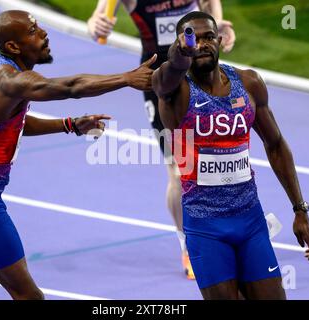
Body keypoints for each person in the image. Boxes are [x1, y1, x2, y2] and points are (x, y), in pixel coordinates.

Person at [0, 10, 156, 300]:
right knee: (30, 296)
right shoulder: (9, 80)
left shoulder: (6, 72)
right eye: (32, 31)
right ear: (13, 46)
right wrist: (126, 78)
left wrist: (69, 125)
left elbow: (15, 125)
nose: (43, 34)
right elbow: (69, 87)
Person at [151, 11, 309, 299]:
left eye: (207, 38)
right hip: (205, 227)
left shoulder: (249, 83)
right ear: (180, 44)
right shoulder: (173, 90)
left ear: (219, 40)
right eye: (192, 38)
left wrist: (299, 210)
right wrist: (181, 52)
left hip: (250, 221)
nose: (201, 44)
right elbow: (168, 74)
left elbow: (276, 144)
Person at [88, 0, 235, 281]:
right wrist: (96, 25)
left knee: (216, 158)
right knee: (179, 172)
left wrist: (219, 25)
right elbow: (97, 24)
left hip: (201, 72)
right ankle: (188, 244)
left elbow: (211, 4)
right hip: (161, 80)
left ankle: (222, 233)